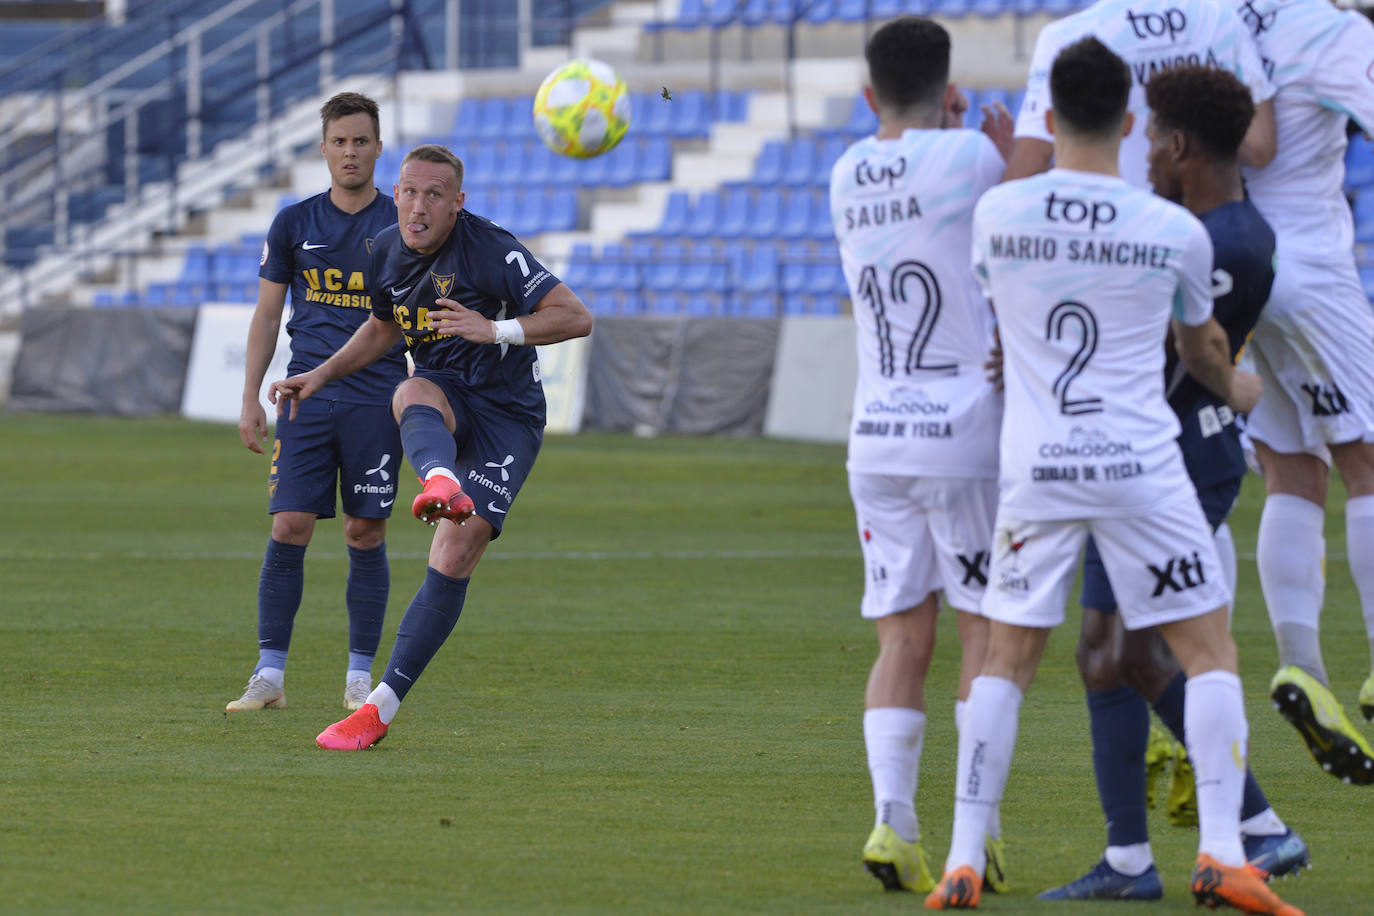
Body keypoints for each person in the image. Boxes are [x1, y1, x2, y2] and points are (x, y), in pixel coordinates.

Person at [924, 38, 1303, 915]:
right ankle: (1222, 852)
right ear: (1131, 125)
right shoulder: (1169, 227)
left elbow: (1005, 319)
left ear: (1049, 121)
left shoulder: (999, 216)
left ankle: (963, 860)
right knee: (1208, 651)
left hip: (1039, 469)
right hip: (1141, 466)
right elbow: (1201, 347)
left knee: (1008, 660)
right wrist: (1241, 387)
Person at [1035, 64, 1307, 902]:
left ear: (1180, 144)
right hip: (1146, 456)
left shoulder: (1227, 242)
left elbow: (1166, 353)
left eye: (1153, 136)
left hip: (1176, 461)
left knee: (1136, 655)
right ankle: (1134, 859)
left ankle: (1258, 830)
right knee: (1105, 656)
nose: (1143, 150)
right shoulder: (1206, 228)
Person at [269, 143, 593, 750]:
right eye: (409, 192)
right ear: (396, 195)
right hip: (444, 389)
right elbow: (385, 328)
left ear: (457, 203)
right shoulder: (386, 250)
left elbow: (576, 316)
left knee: (456, 552)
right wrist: (322, 374)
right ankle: (440, 480)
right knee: (411, 386)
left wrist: (495, 328)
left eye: (434, 195)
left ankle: (377, 709)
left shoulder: (492, 248)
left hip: (507, 415)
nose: (419, 206)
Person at [829, 16, 1014, 895]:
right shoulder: (975, 158)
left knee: (902, 635)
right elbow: (1023, 211)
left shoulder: (843, 173)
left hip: (876, 436)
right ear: (950, 92)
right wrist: (1006, 143)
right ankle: (975, 835)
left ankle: (892, 821)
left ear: (869, 95)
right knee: (983, 631)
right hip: (964, 431)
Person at [227, 91, 407, 714]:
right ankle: (269, 674)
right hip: (304, 395)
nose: (351, 153)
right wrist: (250, 397)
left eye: (362, 141)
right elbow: (268, 314)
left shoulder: (399, 225)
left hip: (378, 400)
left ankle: (360, 678)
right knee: (289, 526)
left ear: (379, 148)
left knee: (365, 531)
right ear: (323, 148)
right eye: (340, 142)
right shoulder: (293, 223)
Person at [1231, 0, 1374, 784]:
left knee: (1294, 469)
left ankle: (1302, 666)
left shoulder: (1220, 18)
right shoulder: (1332, 28)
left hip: (1246, 264)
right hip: (1313, 268)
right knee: (1368, 461)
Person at [1004, 0, 1277, 184]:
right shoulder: (1220, 19)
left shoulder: (1066, 36)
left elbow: (1033, 160)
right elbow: (1259, 149)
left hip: (1118, 240)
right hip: (1209, 239)